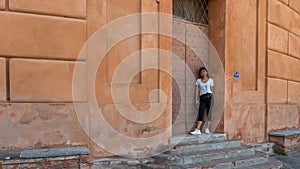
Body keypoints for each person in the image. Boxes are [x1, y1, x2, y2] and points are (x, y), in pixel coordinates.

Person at [190, 66, 214, 135]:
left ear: (206, 72)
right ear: (200, 74)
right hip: (202, 98)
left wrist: (212, 99)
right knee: (201, 113)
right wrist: (196, 99)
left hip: (210, 97)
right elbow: (197, 90)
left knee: (209, 114)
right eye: (201, 72)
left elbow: (212, 91)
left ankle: (207, 129)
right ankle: (198, 130)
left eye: (204, 71)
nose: (203, 73)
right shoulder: (198, 81)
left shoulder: (211, 80)